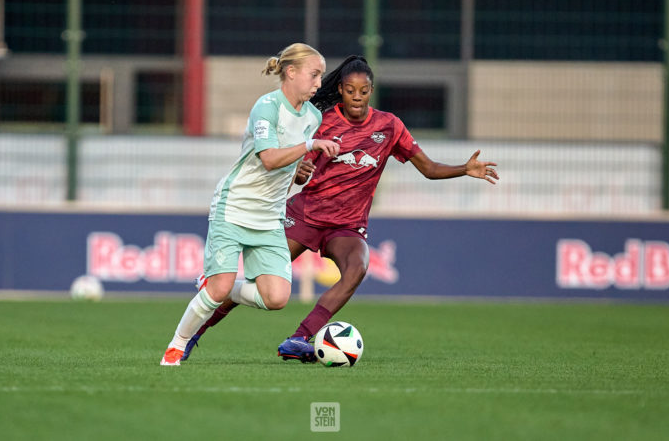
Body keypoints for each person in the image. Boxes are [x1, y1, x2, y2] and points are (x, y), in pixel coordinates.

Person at [181, 55, 499, 363]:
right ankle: (194, 334)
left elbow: (428, 168)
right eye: (350, 91)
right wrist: (299, 171)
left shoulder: (389, 126)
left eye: (363, 91)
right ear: (342, 90)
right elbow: (293, 160)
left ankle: (299, 338)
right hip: (304, 214)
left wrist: (464, 169)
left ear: (371, 91)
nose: (356, 97)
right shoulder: (321, 121)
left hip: (346, 226)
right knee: (257, 287)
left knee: (357, 268)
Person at [160, 43, 340, 366]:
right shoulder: (266, 107)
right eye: (314, 75)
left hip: (269, 216)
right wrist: (309, 146)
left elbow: (287, 170)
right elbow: (270, 159)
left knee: (277, 297)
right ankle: (177, 344)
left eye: (321, 76)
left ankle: (220, 286)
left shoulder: (313, 116)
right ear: (291, 72)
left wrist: (300, 172)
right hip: (235, 207)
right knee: (216, 291)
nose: (318, 83)